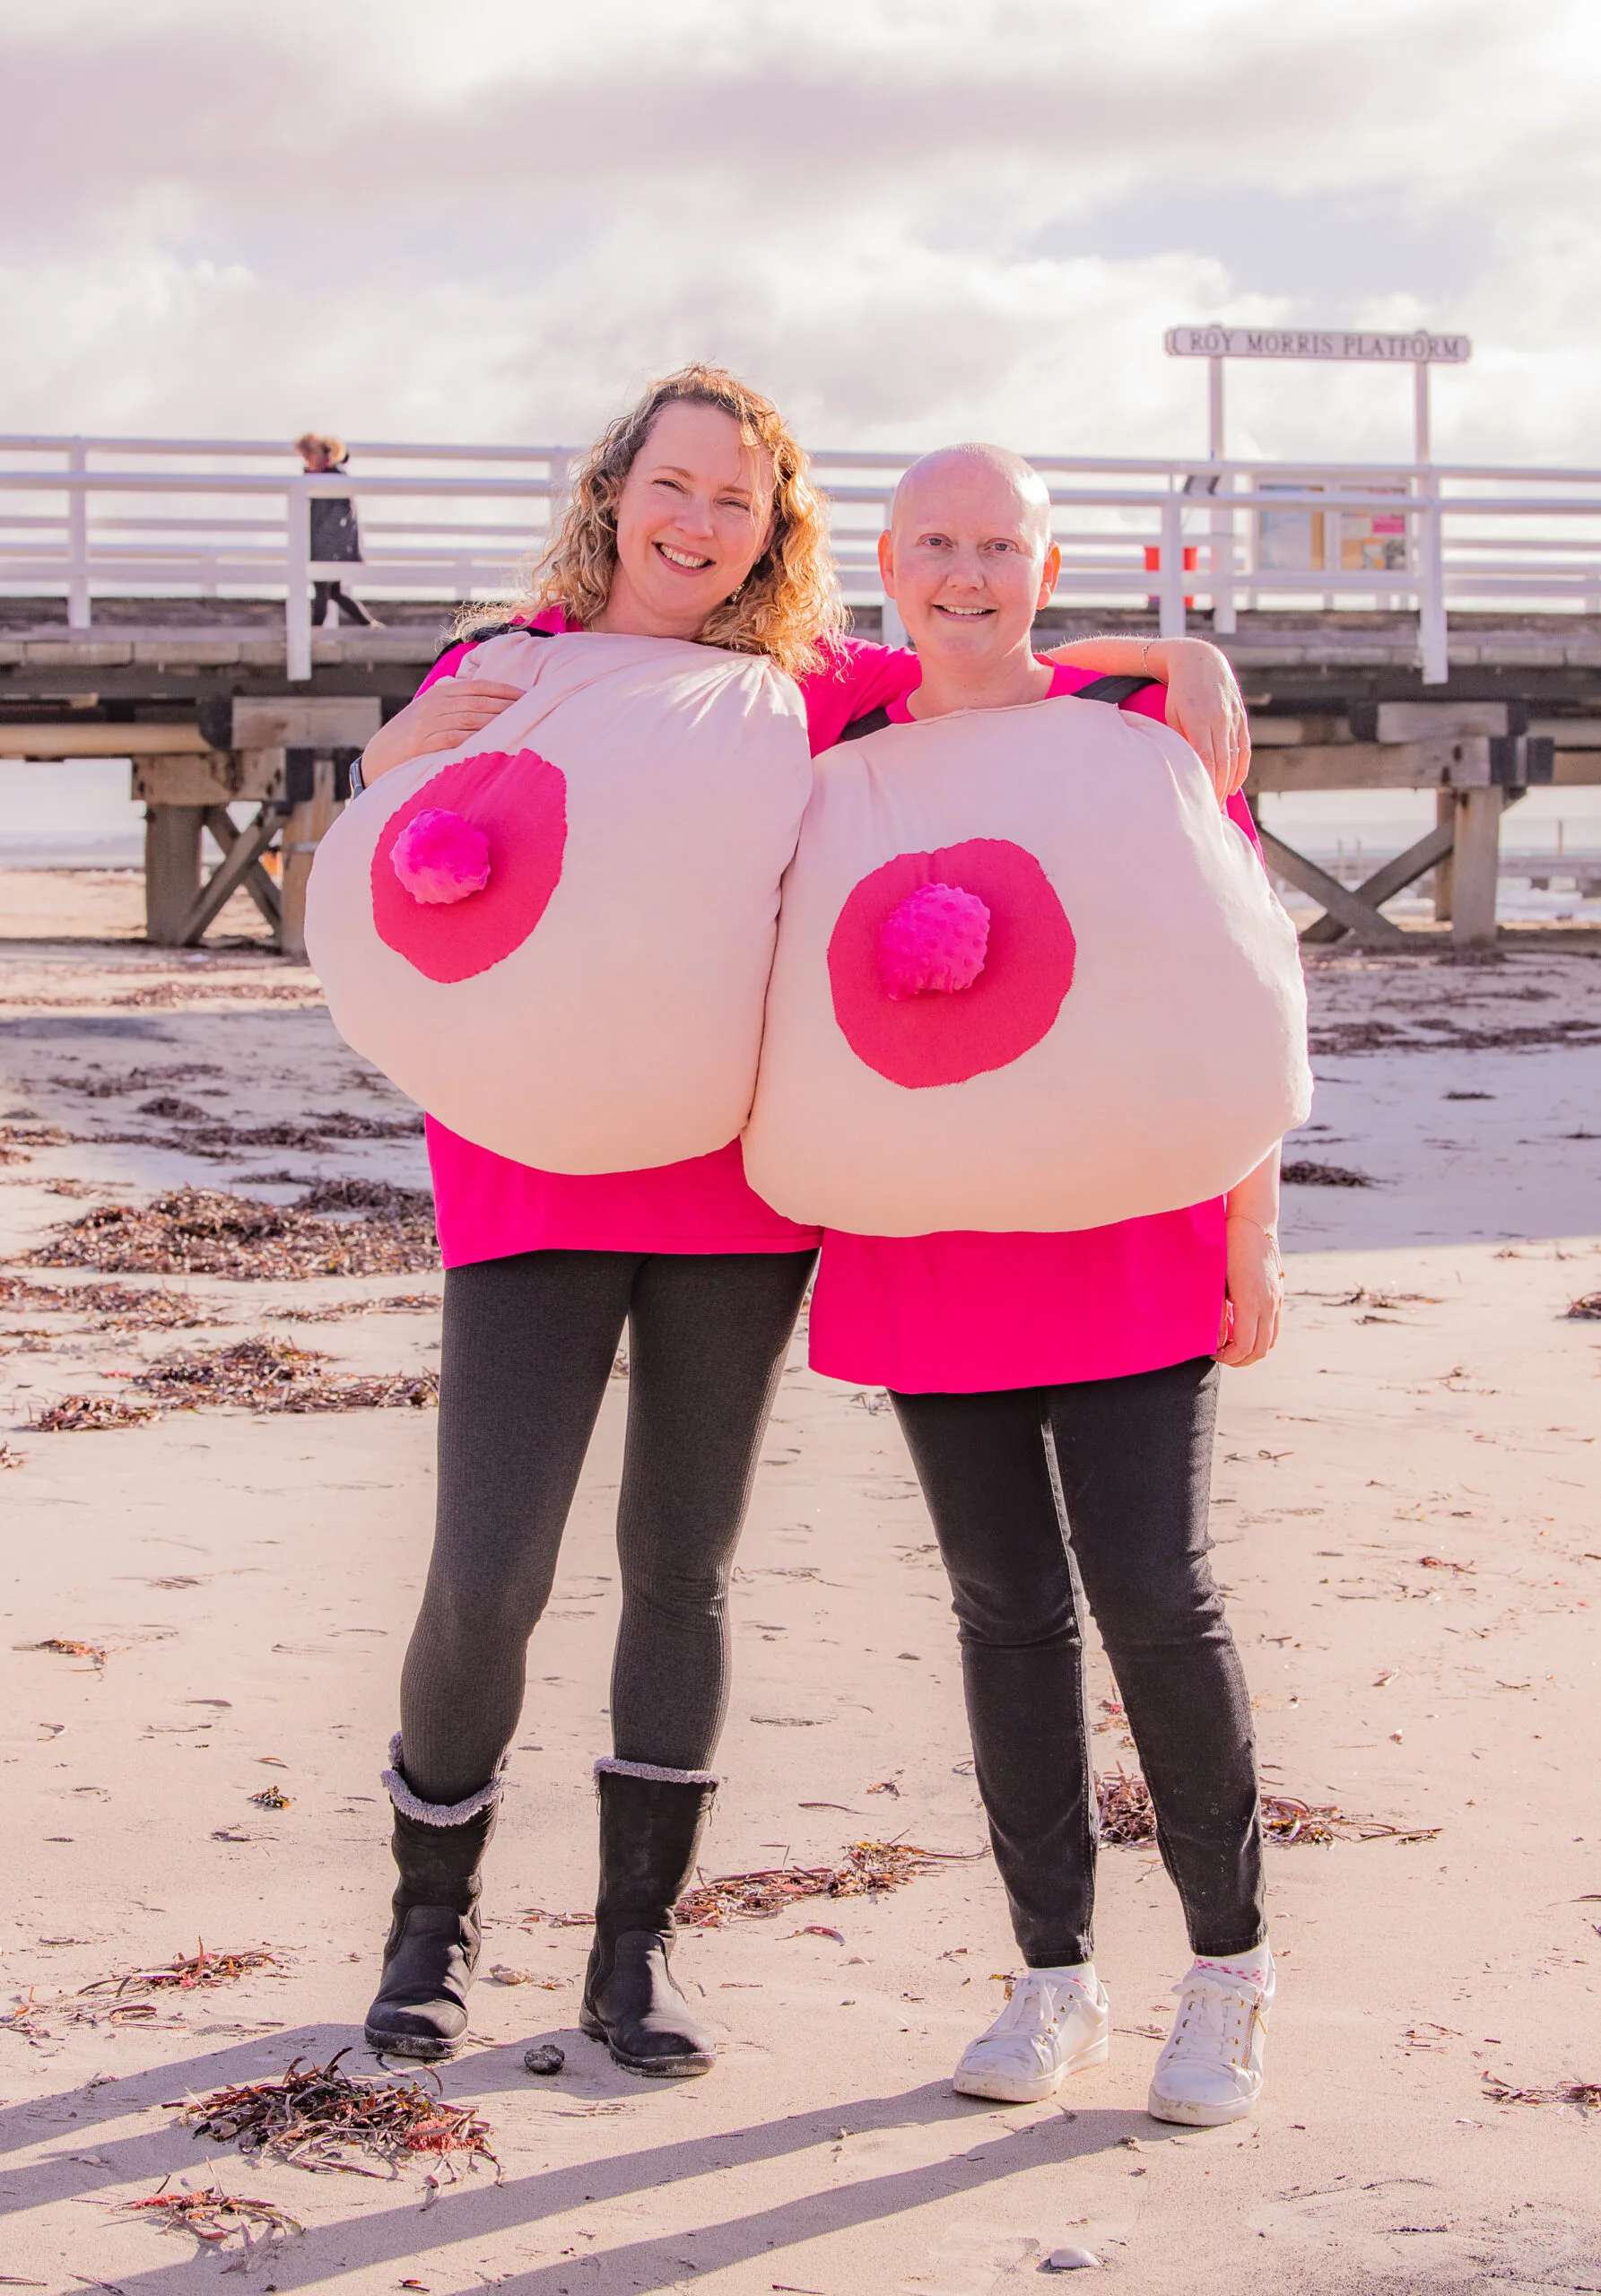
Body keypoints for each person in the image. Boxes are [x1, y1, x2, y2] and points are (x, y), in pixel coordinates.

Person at [344, 367, 1255, 2080]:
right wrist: (389, 750)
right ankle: (428, 1922)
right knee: (491, 1570)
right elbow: (397, 858)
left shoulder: (806, 690)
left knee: (680, 1569)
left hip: (733, 1190)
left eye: (736, 503)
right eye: (673, 486)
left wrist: (1171, 658)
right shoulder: (506, 664)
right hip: (528, 1173)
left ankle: (634, 1952)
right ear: (617, 488)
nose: (698, 524)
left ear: (777, 532)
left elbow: (991, 671)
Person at [796, 443, 1286, 2128]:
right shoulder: (843, 733)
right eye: (934, 541)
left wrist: (1251, 1225)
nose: (965, 572)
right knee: (1005, 1612)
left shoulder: (1140, 735)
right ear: (883, 556)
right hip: (932, 1221)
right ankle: (1054, 1980)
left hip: (1129, 1218)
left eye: (998, 544)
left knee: (1157, 1593)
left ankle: (1228, 1976)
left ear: (1046, 566)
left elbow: (1238, 986)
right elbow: (658, 676)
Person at [293, 432, 380, 627]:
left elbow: (341, 509)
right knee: (333, 591)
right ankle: (370, 624)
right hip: (326, 544)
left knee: (323, 589)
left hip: (329, 546)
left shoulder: (332, 477)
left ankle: (313, 633)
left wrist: (323, 533)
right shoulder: (318, 477)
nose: (306, 461)